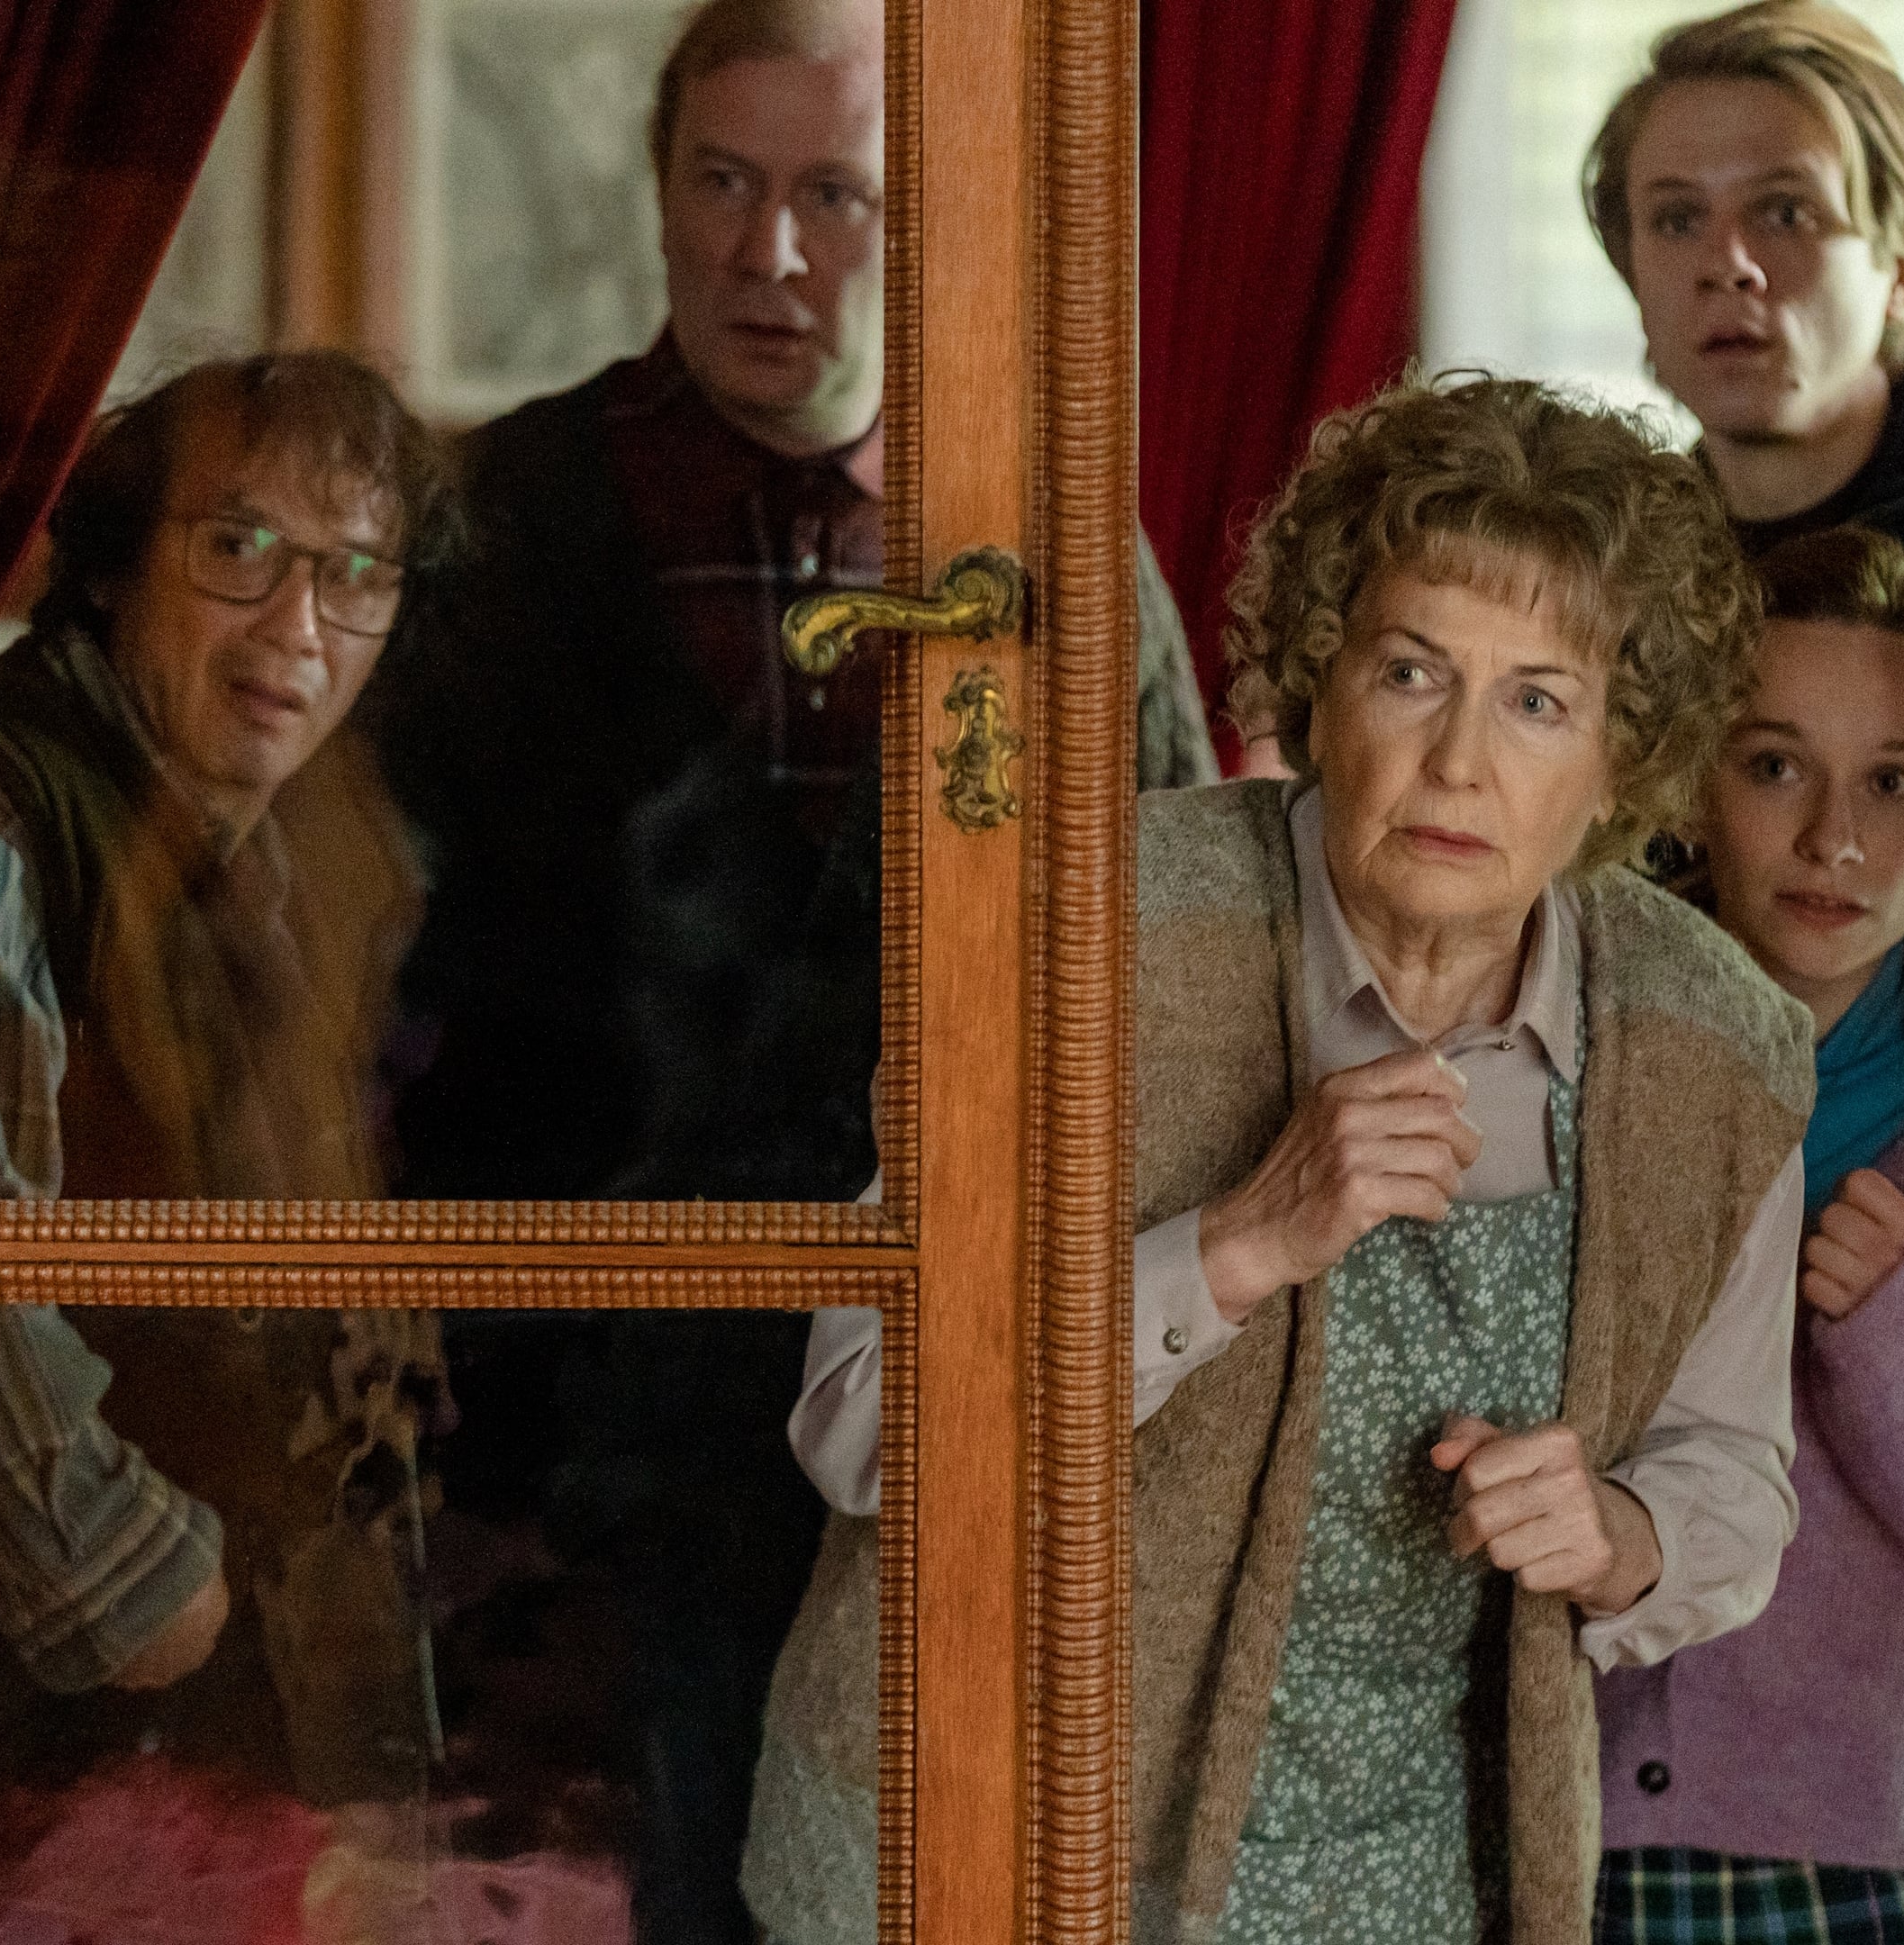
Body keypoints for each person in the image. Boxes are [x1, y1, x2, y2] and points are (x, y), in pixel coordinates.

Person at [744, 375, 1813, 1944]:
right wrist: (1234, 1246)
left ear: (1620, 757)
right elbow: (861, 1422)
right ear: (1320, 685)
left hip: (1406, 1892)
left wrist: (1619, 1538)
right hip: (975, 1853)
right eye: (1410, 671)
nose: (1457, 762)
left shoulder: (1713, 1048)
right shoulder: (1081, 934)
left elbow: (1732, 1468)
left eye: (1537, 702)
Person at [355, 3, 1207, 1931]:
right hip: (557, 1455)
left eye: (839, 196)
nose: (771, 252)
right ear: (658, 191)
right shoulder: (492, 528)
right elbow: (358, 1000)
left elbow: (1175, 974)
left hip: (944, 1425)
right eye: (723, 184)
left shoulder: (1047, 542)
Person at [0, 350, 459, 1808]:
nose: (297, 626)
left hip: (254, 1695)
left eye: (356, 575)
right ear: (108, 567)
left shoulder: (304, 842)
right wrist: (131, 1577)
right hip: (53, 1717)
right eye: (237, 549)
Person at [1589, 525, 1904, 1942]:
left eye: (1893, 783)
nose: (1834, 838)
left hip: (1886, 1869)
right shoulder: (1560, 1048)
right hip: (1549, 1845)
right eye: (1775, 765)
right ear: (1692, 785)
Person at [1587, 0, 1904, 998]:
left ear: (1902, 269)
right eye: (1676, 219)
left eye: (1784, 212)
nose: (1727, 264)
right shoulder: (1605, 576)